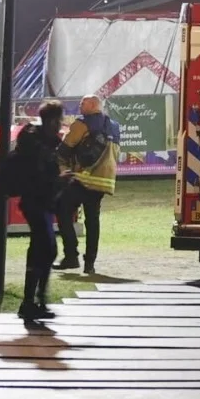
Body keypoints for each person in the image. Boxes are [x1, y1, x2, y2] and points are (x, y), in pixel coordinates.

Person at [11, 101, 66, 321]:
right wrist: (59, 180)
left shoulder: (41, 140)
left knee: (44, 249)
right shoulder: (38, 143)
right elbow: (40, 176)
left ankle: (36, 299)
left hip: (40, 201)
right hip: (36, 201)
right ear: (52, 120)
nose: (61, 124)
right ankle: (31, 301)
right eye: (60, 120)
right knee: (45, 249)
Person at [55, 95, 121, 273]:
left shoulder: (82, 124)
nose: (80, 105)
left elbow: (64, 149)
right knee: (93, 221)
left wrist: (62, 166)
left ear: (93, 105)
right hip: (103, 183)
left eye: (83, 103)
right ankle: (90, 263)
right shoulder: (114, 127)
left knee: (62, 210)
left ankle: (71, 256)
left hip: (82, 178)